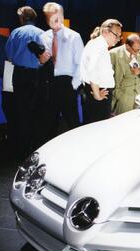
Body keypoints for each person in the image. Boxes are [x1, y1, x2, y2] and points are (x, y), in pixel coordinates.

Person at [35, 2, 84, 147]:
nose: (53, 22)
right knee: (48, 125)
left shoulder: (74, 37)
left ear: (62, 17)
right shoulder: (43, 37)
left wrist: (73, 86)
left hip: (67, 84)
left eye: (56, 18)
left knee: (73, 123)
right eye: (49, 19)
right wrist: (41, 62)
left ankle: (80, 152)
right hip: (50, 84)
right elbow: (40, 64)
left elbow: (80, 64)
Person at [5, 6, 48, 161]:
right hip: (37, 75)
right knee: (35, 112)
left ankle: (20, 151)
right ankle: (35, 150)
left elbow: (9, 56)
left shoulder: (16, 33)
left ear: (22, 18)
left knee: (20, 112)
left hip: (20, 75)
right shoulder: (42, 34)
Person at [80, 19, 122, 124]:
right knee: (97, 128)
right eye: (116, 35)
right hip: (99, 94)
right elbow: (92, 70)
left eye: (119, 36)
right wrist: (97, 94)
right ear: (105, 31)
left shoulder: (96, 44)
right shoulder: (99, 46)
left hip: (95, 91)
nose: (118, 39)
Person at [110, 33, 140, 115]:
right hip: (123, 94)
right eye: (136, 50)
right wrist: (117, 94)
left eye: (139, 49)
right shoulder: (113, 54)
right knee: (123, 121)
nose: (138, 53)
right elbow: (108, 76)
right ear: (127, 46)